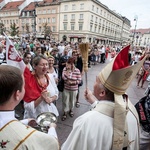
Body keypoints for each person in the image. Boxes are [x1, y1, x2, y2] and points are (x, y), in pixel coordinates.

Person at [62, 45, 146, 150]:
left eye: (96, 81)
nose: (94, 84)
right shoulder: (132, 110)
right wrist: (94, 101)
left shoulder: (87, 122)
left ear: (102, 93)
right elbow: (113, 112)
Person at [0, 65, 59, 150]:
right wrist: (52, 128)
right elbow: (51, 144)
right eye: (23, 87)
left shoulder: (49, 77)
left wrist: (24, 122)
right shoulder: (26, 137)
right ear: (17, 94)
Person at [23, 55, 59, 119]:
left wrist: (51, 99)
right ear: (34, 66)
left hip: (49, 114)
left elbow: (56, 92)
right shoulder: (29, 81)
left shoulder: (50, 77)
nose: (45, 67)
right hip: (34, 117)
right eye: (42, 65)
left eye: (46, 64)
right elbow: (27, 106)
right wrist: (41, 98)